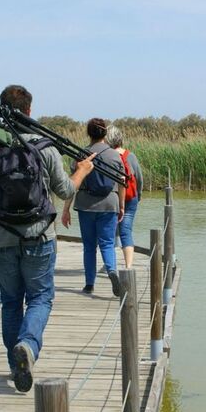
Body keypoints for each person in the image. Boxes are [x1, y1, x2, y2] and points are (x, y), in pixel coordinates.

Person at [0, 84, 95, 393]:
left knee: (10, 301)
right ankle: (28, 348)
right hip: (40, 237)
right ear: (29, 111)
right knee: (41, 297)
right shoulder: (45, 149)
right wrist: (82, 170)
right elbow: (65, 191)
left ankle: (14, 362)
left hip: (0, 239)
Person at [60, 118, 126, 297]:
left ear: (89, 134)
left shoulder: (81, 154)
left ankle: (89, 284)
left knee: (89, 246)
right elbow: (122, 182)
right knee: (107, 243)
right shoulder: (115, 155)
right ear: (105, 133)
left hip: (86, 205)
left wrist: (66, 210)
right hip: (109, 203)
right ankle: (112, 271)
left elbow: (73, 182)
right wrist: (121, 206)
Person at [106, 125, 143, 268]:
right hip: (130, 198)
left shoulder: (107, 156)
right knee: (126, 230)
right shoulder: (130, 156)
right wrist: (138, 195)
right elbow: (139, 177)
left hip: (112, 197)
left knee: (110, 231)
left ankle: (110, 265)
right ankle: (128, 266)